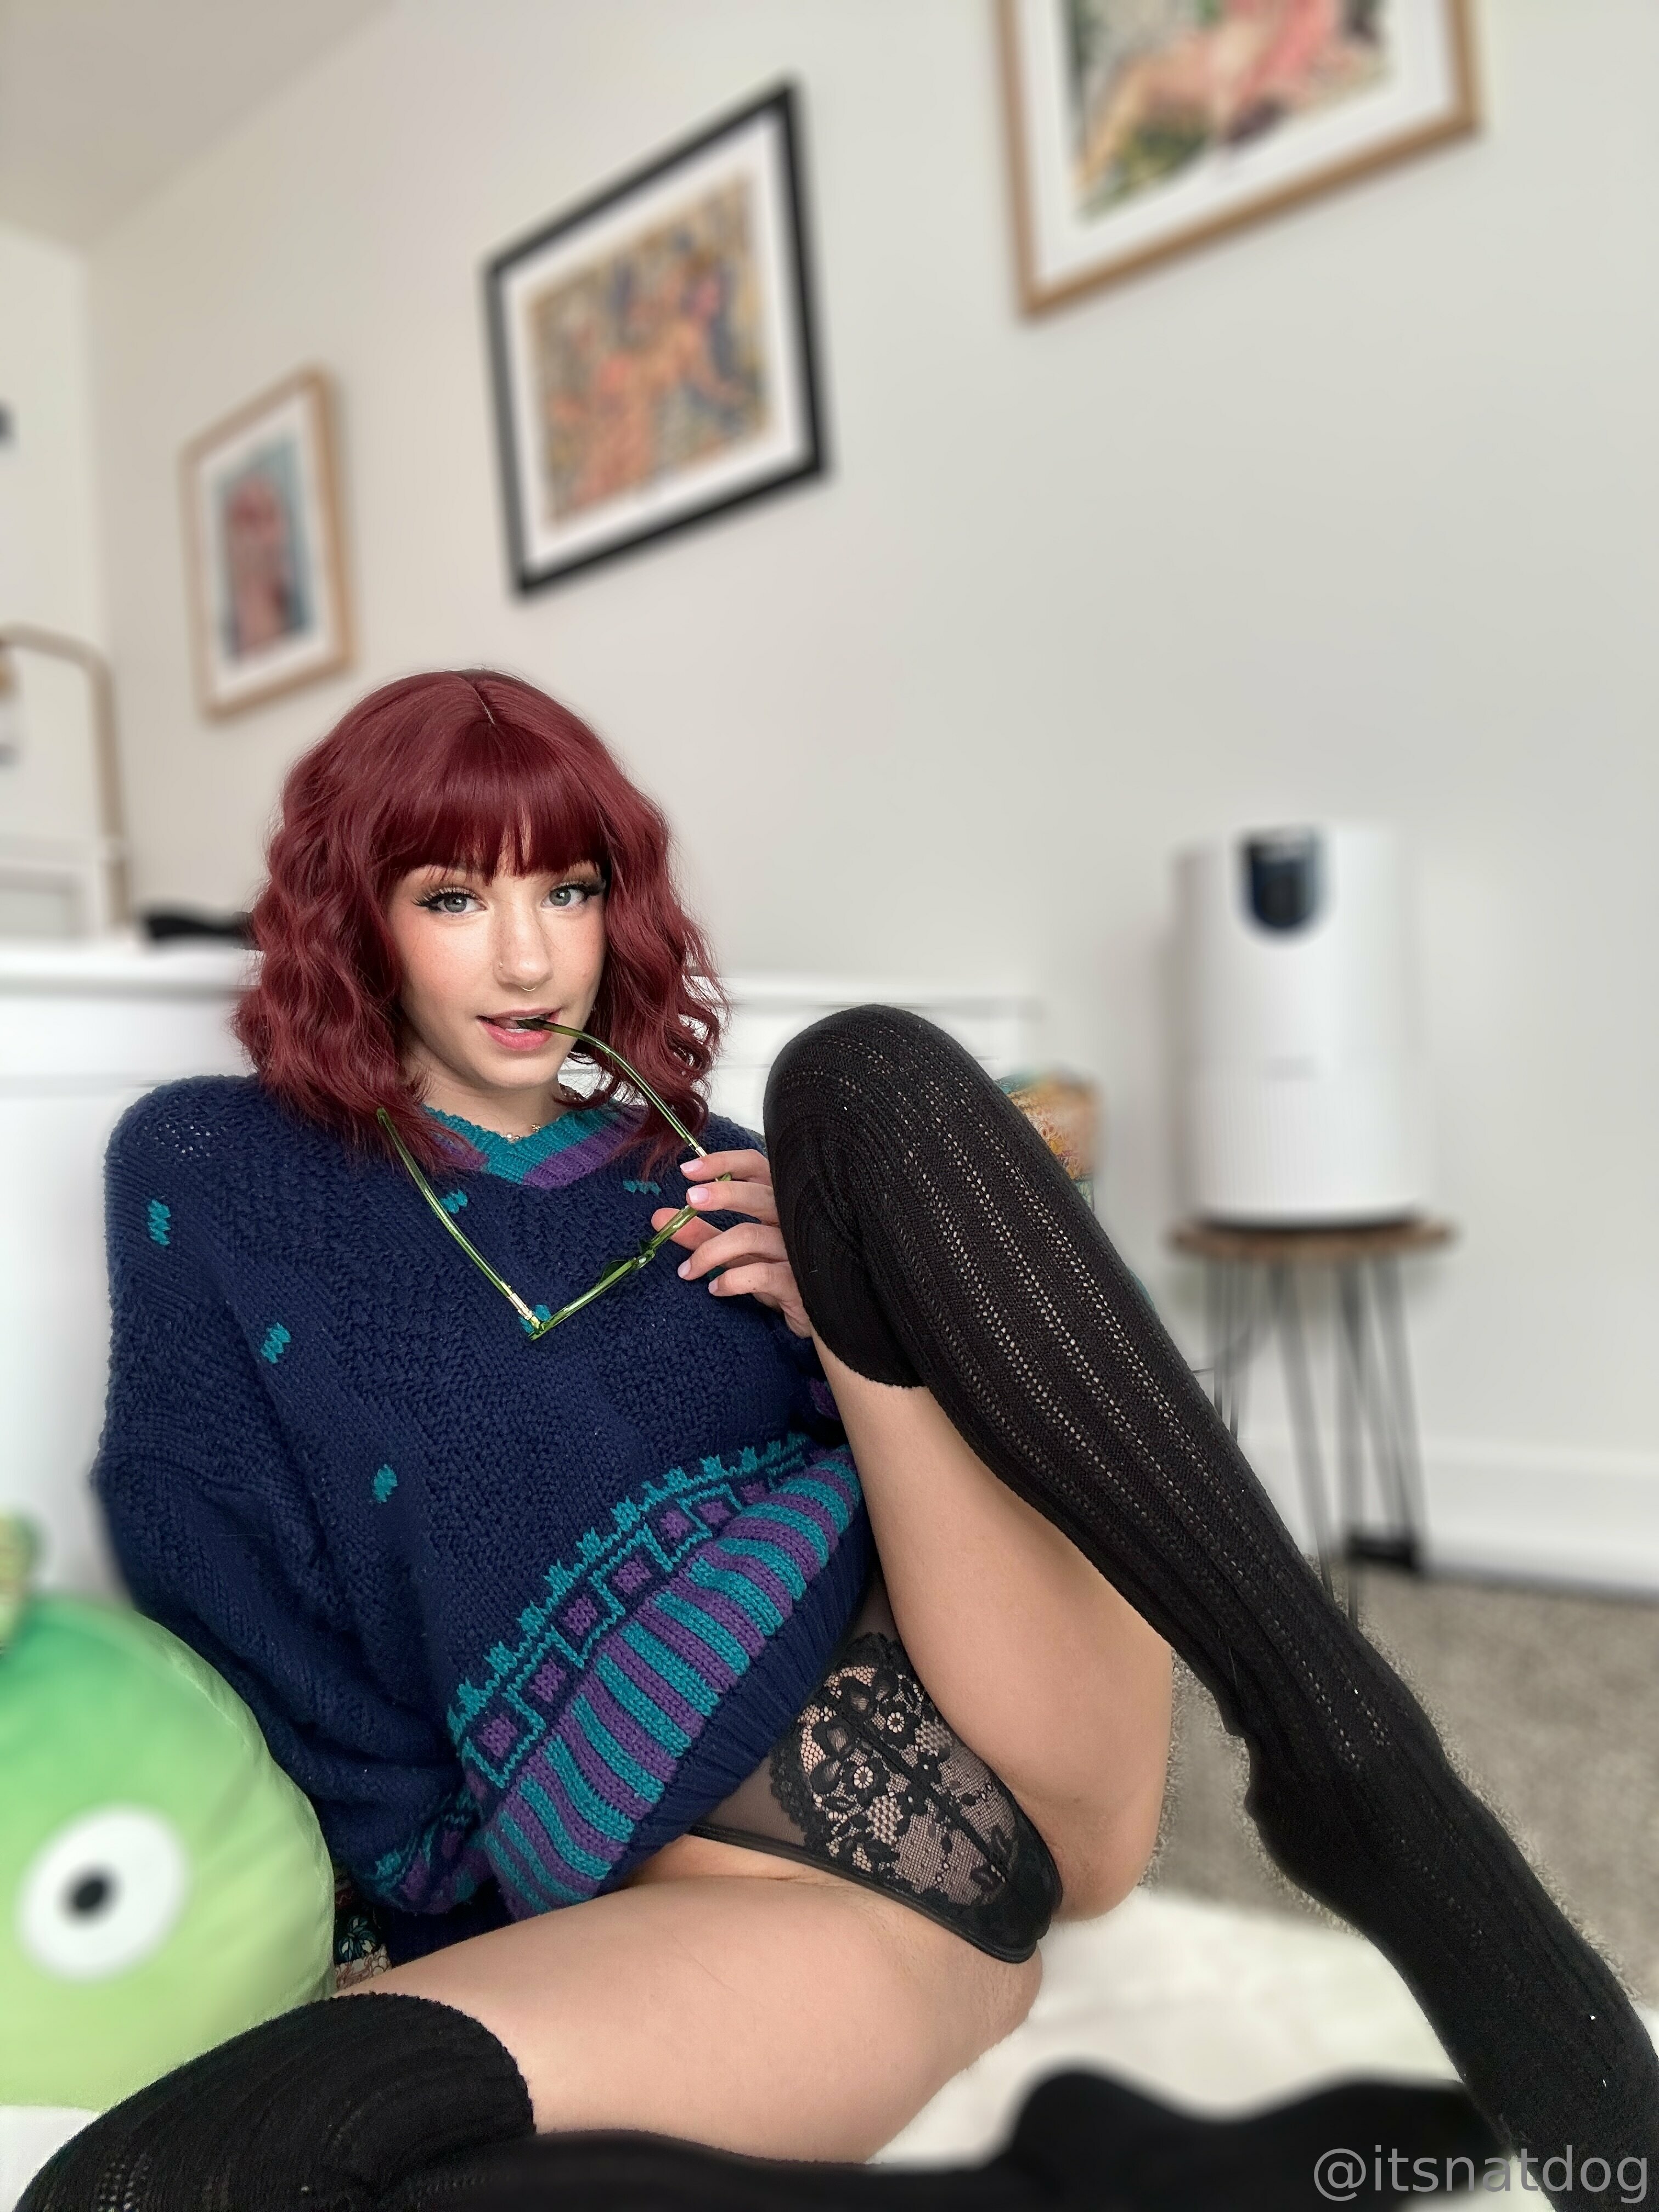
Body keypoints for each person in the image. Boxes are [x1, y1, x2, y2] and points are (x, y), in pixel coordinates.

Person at [24, 673, 1652, 2211]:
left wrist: (847, 1325)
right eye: (454, 898)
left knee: (864, 1081)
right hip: (783, 1917)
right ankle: (1102, 2174)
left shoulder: (719, 1161)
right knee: (160, 2180)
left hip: (1009, 1712)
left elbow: (989, 1477)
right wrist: (427, 1898)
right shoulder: (215, 1172)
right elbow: (215, 1553)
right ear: (355, 916)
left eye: (568, 891)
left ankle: (1354, 1762)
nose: (528, 959)